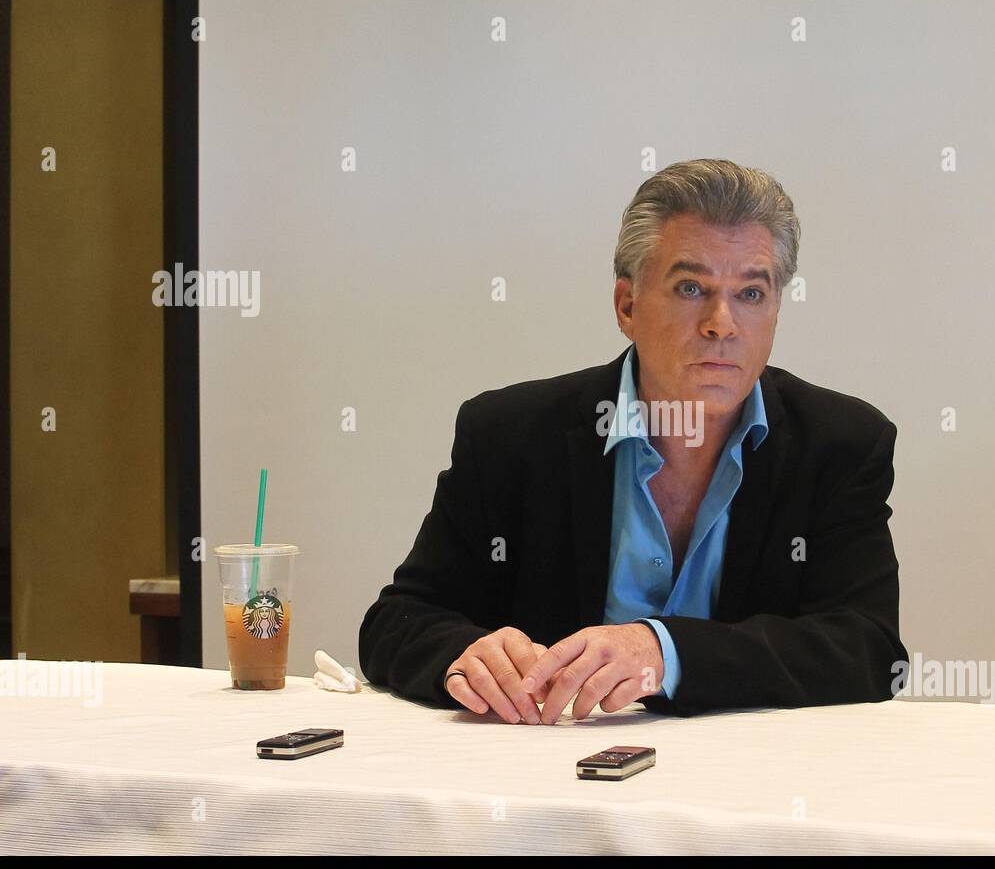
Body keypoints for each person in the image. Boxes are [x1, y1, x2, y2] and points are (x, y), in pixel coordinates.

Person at [358, 158, 904, 723]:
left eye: (750, 293)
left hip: (753, 769)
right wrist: (465, 656)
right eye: (691, 288)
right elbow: (398, 623)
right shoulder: (509, 435)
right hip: (551, 761)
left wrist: (665, 652)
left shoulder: (839, 444)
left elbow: (867, 648)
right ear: (627, 306)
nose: (722, 323)